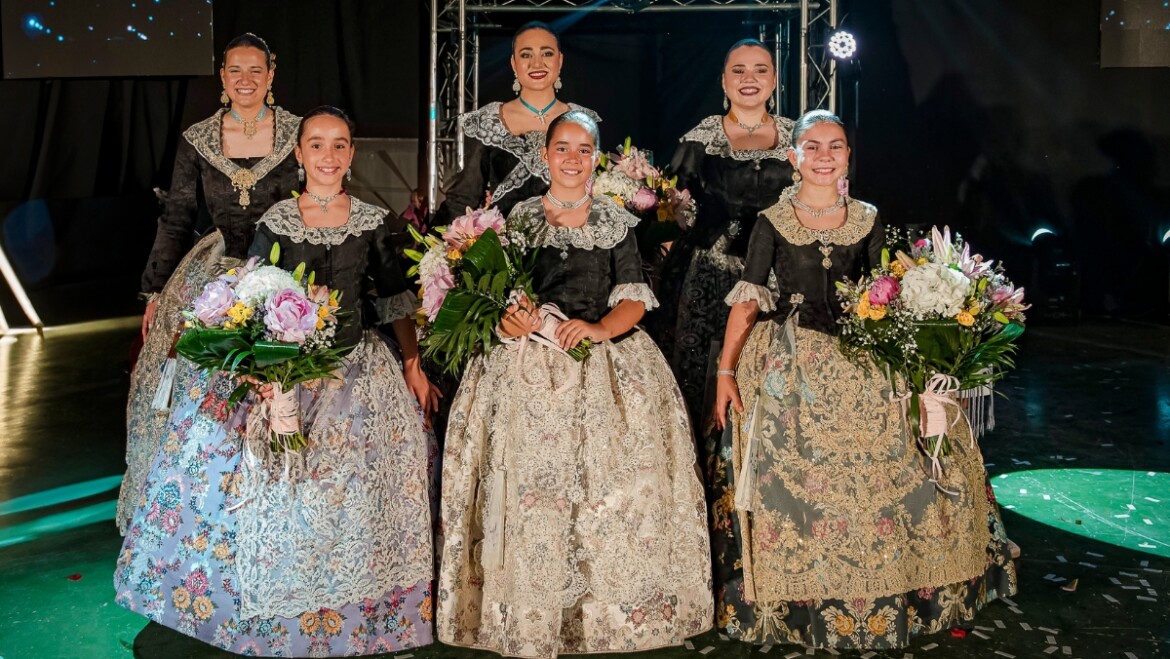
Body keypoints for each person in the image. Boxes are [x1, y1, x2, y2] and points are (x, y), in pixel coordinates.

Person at [114, 107, 441, 656]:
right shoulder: (277, 222)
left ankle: (362, 615)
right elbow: (256, 299)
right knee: (277, 484)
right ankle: (267, 611)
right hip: (285, 371)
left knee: (357, 493)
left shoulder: (374, 219)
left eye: (340, 145)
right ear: (299, 153)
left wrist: (411, 363)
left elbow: (392, 302)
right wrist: (265, 380)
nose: (328, 156)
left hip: (355, 369)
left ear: (352, 154)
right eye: (317, 145)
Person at [709, 110, 1016, 650]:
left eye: (836, 146)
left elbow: (885, 291)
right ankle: (799, 590)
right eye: (813, 146)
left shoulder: (869, 216)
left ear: (848, 156)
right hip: (792, 356)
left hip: (865, 353)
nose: (825, 155)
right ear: (793, 157)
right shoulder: (771, 221)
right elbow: (748, 300)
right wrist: (726, 371)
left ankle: (907, 579)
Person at [436, 111, 713, 658]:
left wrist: (598, 328)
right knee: (527, 494)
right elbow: (487, 294)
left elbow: (635, 296)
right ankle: (524, 608)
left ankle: (600, 615)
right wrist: (503, 321)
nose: (571, 158)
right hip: (523, 368)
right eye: (561, 148)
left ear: (595, 157)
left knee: (605, 492)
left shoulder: (615, 221)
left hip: (600, 360)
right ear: (545, 156)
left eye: (583, 149)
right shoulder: (515, 218)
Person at [118, 33, 301, 533]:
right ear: (222, 78)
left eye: (255, 70)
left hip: (281, 268)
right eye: (235, 71)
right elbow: (176, 216)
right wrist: (157, 290)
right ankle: (207, 511)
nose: (245, 80)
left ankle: (278, 501)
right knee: (202, 392)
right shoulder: (198, 138)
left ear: (271, 74)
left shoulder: (299, 132)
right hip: (214, 274)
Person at [648, 39, 795, 436]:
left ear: (775, 79)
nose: (750, 79)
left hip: (779, 276)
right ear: (723, 82)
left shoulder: (799, 138)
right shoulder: (701, 139)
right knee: (705, 374)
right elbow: (666, 209)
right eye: (739, 70)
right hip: (709, 277)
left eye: (760, 69)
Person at [432, 21, 601, 225]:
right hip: (511, 250)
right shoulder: (487, 122)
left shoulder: (583, 122)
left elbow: (596, 189)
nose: (536, 63)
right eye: (526, 54)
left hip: (572, 244)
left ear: (560, 60)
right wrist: (437, 248)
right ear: (513, 63)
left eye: (546, 53)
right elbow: (464, 198)